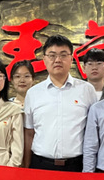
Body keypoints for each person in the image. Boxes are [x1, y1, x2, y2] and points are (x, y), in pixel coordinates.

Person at [23, 35, 97, 171]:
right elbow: (29, 133)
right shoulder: (33, 93)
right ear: (44, 59)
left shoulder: (87, 90)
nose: (57, 60)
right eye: (52, 55)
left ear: (71, 59)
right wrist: (26, 166)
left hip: (76, 166)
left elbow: (93, 132)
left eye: (63, 55)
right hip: (40, 165)